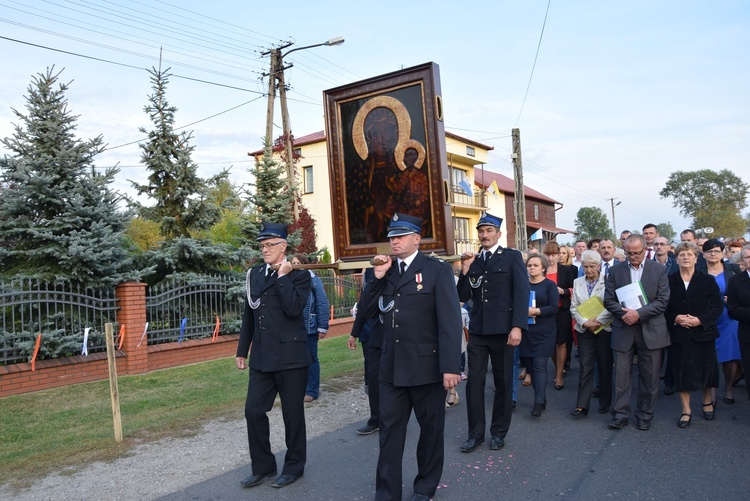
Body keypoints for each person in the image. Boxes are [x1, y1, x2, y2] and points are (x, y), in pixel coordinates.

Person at [360, 212, 462, 501]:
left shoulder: (436, 270)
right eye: (391, 236)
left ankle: (424, 487)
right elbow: (367, 312)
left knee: (430, 431)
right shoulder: (382, 270)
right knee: (389, 433)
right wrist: (377, 279)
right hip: (391, 368)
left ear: (417, 239)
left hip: (426, 367)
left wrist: (451, 367)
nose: (394, 240)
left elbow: (450, 322)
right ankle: (387, 493)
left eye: (400, 235)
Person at [236, 222, 312, 489]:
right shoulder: (254, 274)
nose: (264, 249)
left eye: (269, 245)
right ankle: (263, 466)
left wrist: (283, 277)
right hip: (262, 357)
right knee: (253, 411)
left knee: (292, 415)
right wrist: (242, 350)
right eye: (262, 245)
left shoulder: (300, 274)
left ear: (283, 246)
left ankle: (294, 467)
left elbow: (293, 309)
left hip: (291, 357)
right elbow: (250, 316)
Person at [456, 213, 528, 454]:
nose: (484, 235)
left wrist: (517, 326)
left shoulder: (511, 257)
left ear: (498, 233)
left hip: (504, 330)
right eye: (481, 231)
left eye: (489, 230)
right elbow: (462, 296)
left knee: (503, 382)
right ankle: (475, 434)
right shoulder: (474, 261)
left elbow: (520, 293)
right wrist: (465, 271)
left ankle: (498, 433)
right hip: (478, 330)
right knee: (474, 382)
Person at [604, 234, 670, 431]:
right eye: (629, 253)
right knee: (621, 376)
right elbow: (609, 300)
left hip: (651, 330)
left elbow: (663, 300)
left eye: (636, 253)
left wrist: (638, 314)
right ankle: (620, 414)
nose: (633, 257)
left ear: (645, 250)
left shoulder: (659, 270)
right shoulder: (615, 271)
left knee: (650, 377)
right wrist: (626, 315)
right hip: (624, 329)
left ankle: (645, 414)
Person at [665, 242, 723, 428]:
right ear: (676, 258)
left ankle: (707, 402)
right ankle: (686, 410)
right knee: (681, 372)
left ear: (696, 258)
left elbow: (717, 307)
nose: (686, 258)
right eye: (682, 255)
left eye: (689, 255)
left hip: (703, 333)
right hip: (679, 334)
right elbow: (662, 308)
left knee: (706, 370)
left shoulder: (707, 281)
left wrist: (700, 320)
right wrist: (676, 318)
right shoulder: (669, 280)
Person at [570, 250, 614, 417]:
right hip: (584, 329)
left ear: (599, 266)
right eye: (586, 266)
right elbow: (573, 307)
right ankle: (582, 405)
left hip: (604, 328)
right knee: (586, 366)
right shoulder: (577, 282)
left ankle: (605, 401)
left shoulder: (608, 281)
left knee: (604, 366)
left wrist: (599, 321)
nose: (589, 270)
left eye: (592, 266)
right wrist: (585, 322)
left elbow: (612, 304)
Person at [699, 239, 742, 403]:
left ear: (723, 253)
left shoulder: (733, 269)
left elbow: (744, 289)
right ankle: (712, 390)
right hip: (707, 317)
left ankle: (729, 387)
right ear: (703, 254)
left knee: (730, 356)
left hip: (729, 318)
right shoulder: (699, 270)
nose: (713, 254)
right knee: (710, 356)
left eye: (716, 251)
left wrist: (733, 298)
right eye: (709, 251)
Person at [521, 254, 558, 417]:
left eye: (536, 265)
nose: (532, 268)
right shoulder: (522, 285)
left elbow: (553, 308)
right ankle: (541, 397)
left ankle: (538, 401)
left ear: (543, 268)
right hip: (526, 332)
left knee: (539, 365)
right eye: (529, 265)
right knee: (530, 365)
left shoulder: (549, 285)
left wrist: (537, 311)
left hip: (544, 332)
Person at [290, 254, 330, 403]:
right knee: (296, 360)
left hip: (310, 327)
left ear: (305, 264)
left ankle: (312, 390)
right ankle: (299, 389)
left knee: (311, 359)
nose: (295, 265)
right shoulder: (289, 280)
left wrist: (322, 326)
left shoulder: (314, 280)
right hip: (293, 328)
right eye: (292, 263)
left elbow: (322, 303)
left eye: (298, 263)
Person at [348, 267, 382, 435]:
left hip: (396, 336)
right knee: (373, 378)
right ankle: (376, 419)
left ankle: (394, 418)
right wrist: (354, 334)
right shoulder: (369, 270)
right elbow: (363, 307)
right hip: (374, 336)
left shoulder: (397, 268)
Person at [542, 241, 575, 390]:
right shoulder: (541, 270)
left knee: (561, 343)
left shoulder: (565, 270)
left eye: (554, 255)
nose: (551, 258)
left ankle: (559, 375)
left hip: (562, 311)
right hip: (545, 312)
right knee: (550, 345)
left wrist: (563, 291)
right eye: (548, 255)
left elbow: (573, 289)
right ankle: (557, 368)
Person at [727, 245, 750, 401]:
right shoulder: (735, 281)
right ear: (742, 261)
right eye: (748, 257)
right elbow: (733, 310)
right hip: (747, 333)